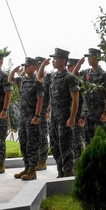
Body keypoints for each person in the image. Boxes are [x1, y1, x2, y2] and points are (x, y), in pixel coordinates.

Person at [39, 48, 80, 178]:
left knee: (66, 146)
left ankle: (68, 172)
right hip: (53, 118)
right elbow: (39, 77)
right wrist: (42, 65)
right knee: (55, 146)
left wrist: (72, 117)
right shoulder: (52, 76)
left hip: (65, 118)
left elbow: (75, 99)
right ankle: (60, 171)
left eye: (56, 59)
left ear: (63, 60)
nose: (53, 61)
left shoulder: (70, 78)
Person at [8, 57, 44, 180]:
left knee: (32, 144)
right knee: (23, 143)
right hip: (23, 118)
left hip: (32, 118)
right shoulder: (22, 80)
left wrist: (37, 115)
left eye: (27, 66)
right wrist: (14, 71)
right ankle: (26, 167)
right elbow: (10, 80)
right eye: (25, 66)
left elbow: (40, 100)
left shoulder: (37, 82)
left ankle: (33, 170)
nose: (25, 68)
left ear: (34, 67)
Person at [74, 48, 106, 146]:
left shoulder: (104, 75)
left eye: (91, 57)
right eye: (88, 57)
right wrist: (78, 64)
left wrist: (105, 112)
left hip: (99, 114)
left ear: (97, 58)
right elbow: (73, 76)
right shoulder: (85, 73)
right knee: (88, 143)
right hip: (88, 114)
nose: (89, 59)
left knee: (101, 142)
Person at [66, 58, 85, 166]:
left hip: (78, 117)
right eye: (67, 66)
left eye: (71, 66)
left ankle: (79, 164)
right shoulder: (68, 80)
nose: (68, 68)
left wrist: (83, 116)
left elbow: (85, 100)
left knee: (77, 141)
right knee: (70, 141)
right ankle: (73, 164)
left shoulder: (80, 80)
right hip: (69, 115)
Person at [34, 56, 50, 171]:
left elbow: (50, 94)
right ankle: (36, 159)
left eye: (39, 64)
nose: (37, 66)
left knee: (42, 135)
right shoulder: (33, 77)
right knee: (34, 136)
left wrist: (48, 110)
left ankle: (43, 160)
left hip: (43, 110)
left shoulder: (46, 77)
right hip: (33, 111)